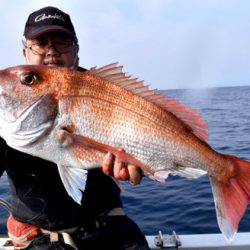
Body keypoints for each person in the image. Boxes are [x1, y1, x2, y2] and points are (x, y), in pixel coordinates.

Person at [0, 6, 150, 250]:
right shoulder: (8, 101)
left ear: (76, 51)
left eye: (62, 42)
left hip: (109, 228)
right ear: (25, 53)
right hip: (40, 239)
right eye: (40, 43)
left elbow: (146, 138)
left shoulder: (108, 91)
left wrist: (143, 165)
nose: (51, 51)